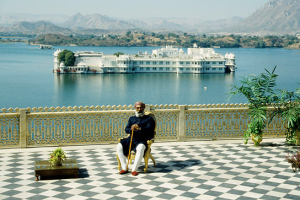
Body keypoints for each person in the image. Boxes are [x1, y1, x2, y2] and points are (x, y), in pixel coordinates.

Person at [117, 101, 155, 176]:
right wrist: (131, 129)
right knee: (119, 146)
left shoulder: (149, 119)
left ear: (143, 108)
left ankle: (134, 169)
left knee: (140, 148)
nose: (139, 109)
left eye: (141, 108)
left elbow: (150, 129)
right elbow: (126, 129)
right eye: (137, 108)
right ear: (135, 108)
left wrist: (140, 128)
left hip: (142, 139)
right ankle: (124, 168)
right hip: (131, 139)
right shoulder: (131, 118)